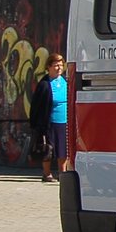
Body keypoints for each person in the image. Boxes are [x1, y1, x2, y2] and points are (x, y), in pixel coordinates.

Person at [29, 54, 70, 183]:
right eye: (56, 65)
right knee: (48, 149)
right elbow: (36, 106)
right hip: (49, 123)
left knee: (63, 150)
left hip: (64, 122)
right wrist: (36, 124)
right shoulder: (44, 85)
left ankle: (62, 173)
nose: (59, 68)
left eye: (61, 65)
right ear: (49, 67)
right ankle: (47, 174)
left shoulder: (65, 81)